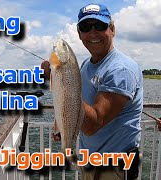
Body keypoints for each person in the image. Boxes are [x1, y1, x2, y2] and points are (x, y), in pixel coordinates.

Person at [42, 3, 143, 180]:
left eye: (100, 25)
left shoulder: (121, 70)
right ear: (80, 34)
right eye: (85, 27)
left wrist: (64, 83)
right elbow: (76, 107)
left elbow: (92, 124)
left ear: (112, 29)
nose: (93, 32)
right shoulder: (85, 65)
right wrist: (64, 128)